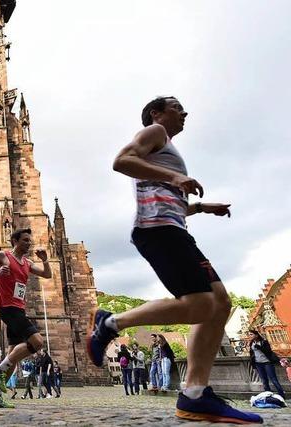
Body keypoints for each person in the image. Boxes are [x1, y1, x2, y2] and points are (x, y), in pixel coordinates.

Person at [88, 96, 262, 423]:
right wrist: (175, 179)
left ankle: (196, 394)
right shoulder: (155, 132)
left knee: (220, 303)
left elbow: (171, 202)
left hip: (173, 227)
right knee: (201, 305)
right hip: (157, 230)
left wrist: (200, 207)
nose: (184, 112)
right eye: (176, 106)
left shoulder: (166, 148)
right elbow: (121, 161)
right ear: (157, 113)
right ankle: (110, 324)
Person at [0, 227, 52, 408]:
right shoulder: (3, 256)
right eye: (25, 240)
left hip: (19, 309)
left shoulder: (27, 263)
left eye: (29, 240)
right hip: (8, 308)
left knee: (13, 354)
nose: (29, 243)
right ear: (15, 241)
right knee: (37, 342)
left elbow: (47, 274)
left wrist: (45, 260)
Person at [248, 330, 285, 399]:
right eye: (249, 334)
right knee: (264, 381)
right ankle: (268, 396)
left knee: (274, 379)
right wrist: (253, 365)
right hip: (258, 364)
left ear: (256, 335)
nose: (250, 336)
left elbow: (269, 351)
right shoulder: (251, 343)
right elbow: (251, 355)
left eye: (251, 334)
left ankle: (282, 395)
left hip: (267, 363)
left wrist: (259, 347)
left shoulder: (264, 342)